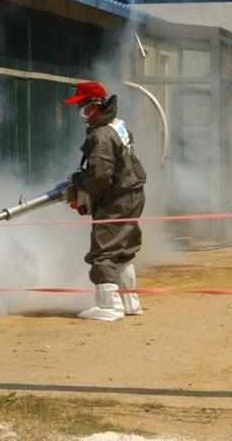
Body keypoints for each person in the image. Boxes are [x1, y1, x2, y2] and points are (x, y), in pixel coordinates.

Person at [63, 80, 147, 322]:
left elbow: (99, 178)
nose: (81, 111)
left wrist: (77, 180)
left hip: (116, 200)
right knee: (124, 250)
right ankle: (129, 302)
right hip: (132, 194)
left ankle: (109, 307)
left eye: (82, 105)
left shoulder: (101, 135)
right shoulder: (117, 125)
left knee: (103, 252)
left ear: (95, 105)